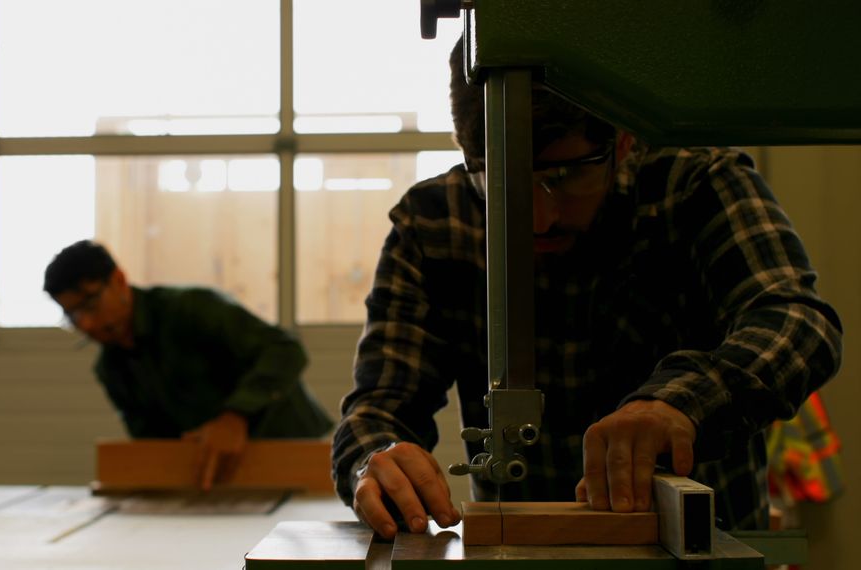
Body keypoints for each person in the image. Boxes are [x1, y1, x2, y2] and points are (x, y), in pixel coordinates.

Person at [331, 36, 843, 540]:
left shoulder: (695, 185)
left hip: (705, 546)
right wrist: (374, 461)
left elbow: (798, 321)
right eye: (499, 181)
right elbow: (379, 408)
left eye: (565, 175)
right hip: (520, 550)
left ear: (621, 139)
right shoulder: (434, 222)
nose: (537, 218)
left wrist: (680, 403)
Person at [44, 240, 334, 489]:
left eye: (90, 306)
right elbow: (154, 447)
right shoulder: (111, 369)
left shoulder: (191, 308)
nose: (87, 324)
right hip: (213, 479)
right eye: (72, 316)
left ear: (119, 279)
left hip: (290, 452)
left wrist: (234, 417)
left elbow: (285, 350)